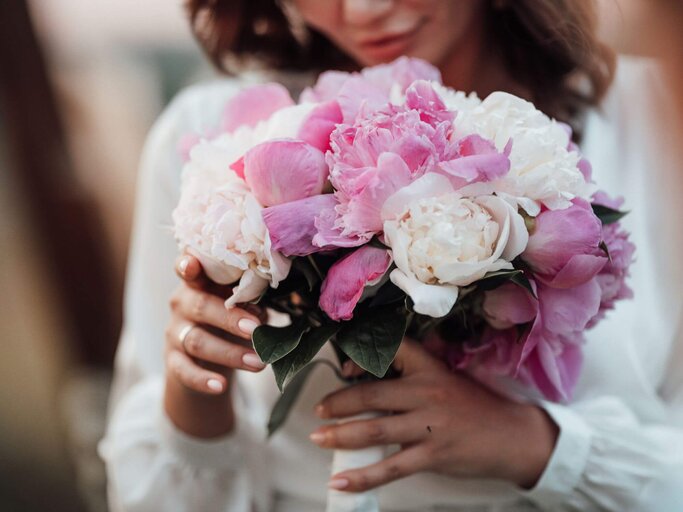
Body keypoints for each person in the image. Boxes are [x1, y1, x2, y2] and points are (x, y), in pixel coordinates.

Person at [99, 1, 683, 510]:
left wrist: (540, 447)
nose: (363, 9)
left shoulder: (657, 115)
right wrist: (195, 394)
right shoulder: (214, 143)